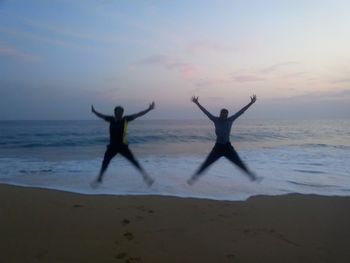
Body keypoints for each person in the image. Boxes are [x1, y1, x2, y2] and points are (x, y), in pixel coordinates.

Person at [188, 95, 260, 185]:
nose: (224, 116)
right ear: (220, 114)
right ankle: (194, 178)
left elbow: (242, 111)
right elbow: (206, 112)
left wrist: (251, 102)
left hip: (227, 147)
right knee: (207, 163)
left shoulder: (230, 119)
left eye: (225, 115)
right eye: (222, 115)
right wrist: (197, 103)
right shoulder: (215, 120)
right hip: (217, 147)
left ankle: (251, 176)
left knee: (238, 162)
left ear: (227, 115)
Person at [91, 102, 155, 187]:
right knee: (105, 162)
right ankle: (100, 178)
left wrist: (149, 109)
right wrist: (94, 112)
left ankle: (145, 176)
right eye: (117, 112)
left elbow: (138, 114)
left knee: (134, 161)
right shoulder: (111, 119)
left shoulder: (126, 119)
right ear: (115, 113)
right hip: (112, 146)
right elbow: (102, 115)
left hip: (122, 146)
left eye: (120, 112)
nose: (118, 114)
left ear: (122, 113)